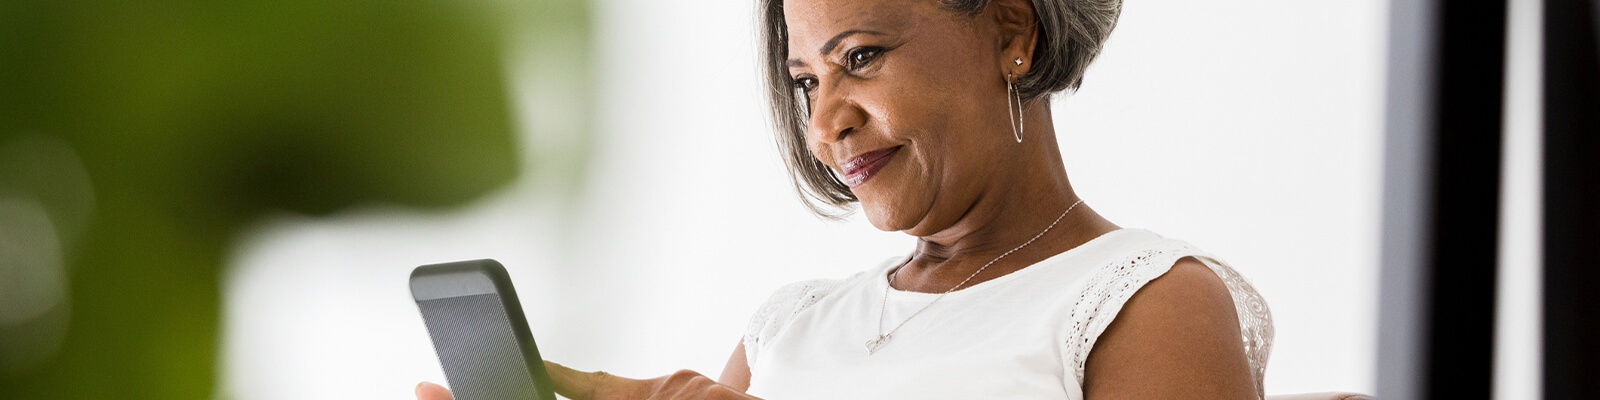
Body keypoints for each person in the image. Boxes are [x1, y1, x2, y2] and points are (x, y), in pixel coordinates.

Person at [417, 0, 1274, 398]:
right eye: (805, 79)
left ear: (1012, 34)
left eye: (860, 57)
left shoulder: (1147, 301)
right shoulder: (788, 326)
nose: (826, 121)